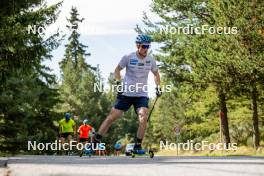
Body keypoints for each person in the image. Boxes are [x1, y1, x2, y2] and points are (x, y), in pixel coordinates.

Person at [94, 34, 162, 150]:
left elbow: (156, 74)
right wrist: (118, 82)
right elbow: (117, 70)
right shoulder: (128, 57)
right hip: (126, 93)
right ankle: (94, 142)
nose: (146, 49)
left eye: (148, 46)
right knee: (111, 118)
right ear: (138, 46)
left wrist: (158, 86)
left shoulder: (150, 60)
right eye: (144, 46)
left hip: (141, 94)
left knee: (143, 117)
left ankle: (138, 146)